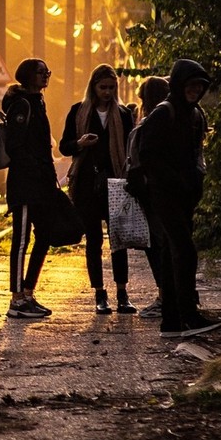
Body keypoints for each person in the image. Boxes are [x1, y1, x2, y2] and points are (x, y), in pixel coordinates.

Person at [131, 58, 218, 336]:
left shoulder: (193, 115)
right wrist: (175, 180)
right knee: (185, 252)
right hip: (164, 195)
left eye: (199, 86)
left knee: (171, 255)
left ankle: (171, 321)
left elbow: (194, 156)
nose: (195, 91)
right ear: (179, 84)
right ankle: (188, 316)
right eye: (191, 85)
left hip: (182, 197)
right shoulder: (163, 113)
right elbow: (148, 155)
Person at [60, 64, 138, 314]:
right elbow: (64, 147)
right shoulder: (78, 112)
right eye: (102, 87)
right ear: (93, 87)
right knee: (93, 240)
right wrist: (79, 143)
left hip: (116, 182)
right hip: (86, 184)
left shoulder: (124, 115)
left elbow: (130, 148)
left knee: (119, 240)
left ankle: (122, 293)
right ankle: (99, 294)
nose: (107, 92)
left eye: (111, 88)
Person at [1, 57, 58, 320]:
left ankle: (28, 292)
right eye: (40, 72)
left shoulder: (38, 103)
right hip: (25, 184)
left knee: (44, 235)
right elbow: (15, 146)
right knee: (22, 240)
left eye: (47, 71)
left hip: (41, 184)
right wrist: (35, 167)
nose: (46, 75)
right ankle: (16, 300)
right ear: (27, 76)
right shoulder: (22, 105)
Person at [131, 75, 171, 320]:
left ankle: (165, 296)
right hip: (163, 191)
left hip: (153, 192)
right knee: (163, 243)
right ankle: (168, 294)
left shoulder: (152, 122)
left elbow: (143, 159)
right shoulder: (171, 117)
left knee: (158, 245)